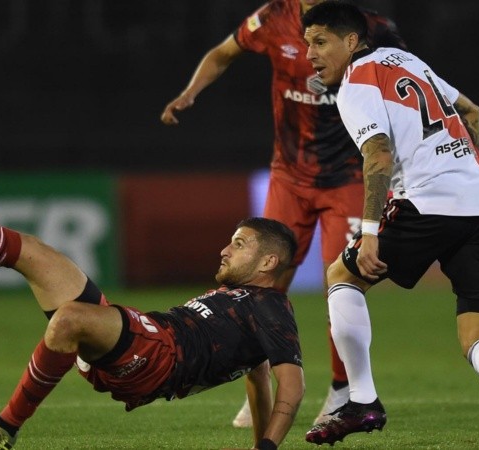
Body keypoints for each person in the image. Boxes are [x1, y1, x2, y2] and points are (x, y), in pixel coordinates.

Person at [0, 131, 305, 450]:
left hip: (159, 359)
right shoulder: (247, 306)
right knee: (36, 254)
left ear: (269, 262)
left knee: (69, 319)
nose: (224, 249)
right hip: (142, 337)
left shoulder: (272, 307)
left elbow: (292, 385)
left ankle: (1, 433)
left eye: (240, 244)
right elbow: (257, 374)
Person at [299, 2, 479, 449]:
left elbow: (380, 156)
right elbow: (473, 110)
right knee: (477, 337)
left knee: (341, 276)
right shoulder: (406, 60)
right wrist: (461, 171)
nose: (310, 54)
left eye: (320, 41)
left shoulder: (355, 83)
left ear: (351, 41)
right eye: (307, 43)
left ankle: (362, 400)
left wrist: (369, 232)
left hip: (425, 206)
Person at [161, 0, 406, 427]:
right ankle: (258, 386)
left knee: (344, 285)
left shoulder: (372, 27)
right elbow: (223, 52)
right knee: (256, 287)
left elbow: (409, 79)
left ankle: (341, 390)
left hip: (348, 178)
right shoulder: (273, 17)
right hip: (289, 177)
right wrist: (189, 92)